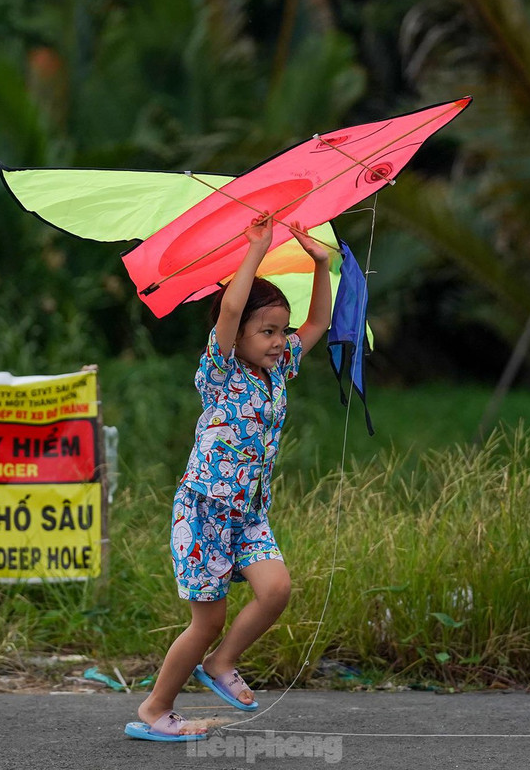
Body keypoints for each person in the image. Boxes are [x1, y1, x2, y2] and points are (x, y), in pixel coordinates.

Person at [124, 214, 333, 742]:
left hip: (249, 514)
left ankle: (222, 664)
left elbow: (318, 326)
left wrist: (322, 264)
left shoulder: (280, 371)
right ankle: (156, 708)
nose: (280, 340)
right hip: (204, 513)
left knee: (276, 590)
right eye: (267, 332)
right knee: (206, 620)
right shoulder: (220, 371)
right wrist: (256, 250)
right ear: (234, 337)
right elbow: (234, 306)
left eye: (281, 331)